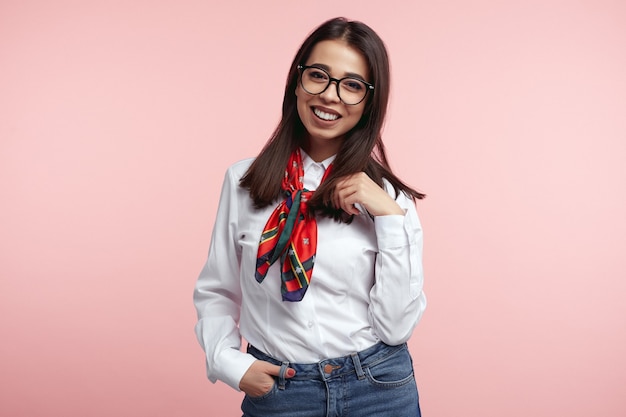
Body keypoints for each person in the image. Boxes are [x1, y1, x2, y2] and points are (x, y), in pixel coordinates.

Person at [193, 16, 427, 417]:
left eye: (352, 85)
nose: (331, 96)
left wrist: (391, 217)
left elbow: (395, 328)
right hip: (281, 393)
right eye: (319, 75)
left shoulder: (388, 199)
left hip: (378, 389)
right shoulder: (242, 181)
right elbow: (218, 289)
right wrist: (229, 363)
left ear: (371, 102)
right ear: (297, 81)